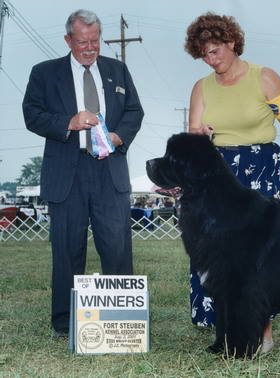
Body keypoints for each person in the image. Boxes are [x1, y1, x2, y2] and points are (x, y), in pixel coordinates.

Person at [184, 12, 280, 353]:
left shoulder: (265, 78)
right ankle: (229, 330)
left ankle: (263, 333)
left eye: (216, 50)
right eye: (205, 54)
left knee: (261, 257)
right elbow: (194, 133)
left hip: (264, 174)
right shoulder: (201, 88)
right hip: (220, 178)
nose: (212, 59)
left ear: (231, 42)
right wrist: (198, 134)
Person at [22, 9, 144, 337]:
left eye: (94, 41)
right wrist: (68, 122)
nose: (90, 48)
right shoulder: (44, 73)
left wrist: (119, 137)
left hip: (110, 171)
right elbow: (31, 115)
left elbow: (135, 110)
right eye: (82, 42)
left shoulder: (118, 70)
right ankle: (65, 323)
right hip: (67, 172)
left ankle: (124, 322)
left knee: (117, 246)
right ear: (68, 40)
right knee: (66, 249)